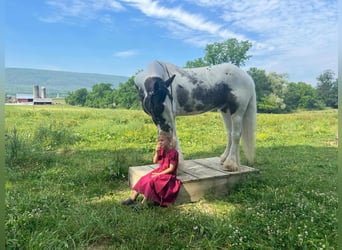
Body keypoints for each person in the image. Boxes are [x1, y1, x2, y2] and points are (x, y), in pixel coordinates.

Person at [121, 131, 181, 208]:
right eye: (159, 140)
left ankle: (143, 203)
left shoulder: (173, 153)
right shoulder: (162, 150)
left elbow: (171, 169)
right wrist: (156, 151)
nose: (160, 142)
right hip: (160, 170)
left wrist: (159, 174)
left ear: (169, 141)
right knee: (144, 178)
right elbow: (155, 161)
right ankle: (133, 197)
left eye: (162, 140)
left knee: (151, 181)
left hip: (168, 175)